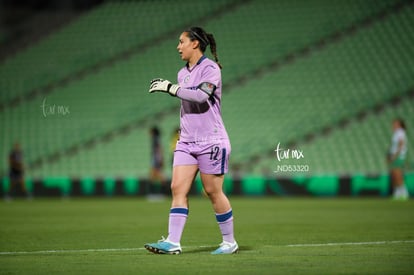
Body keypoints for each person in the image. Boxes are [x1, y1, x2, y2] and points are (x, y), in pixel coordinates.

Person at [145, 26, 238, 254]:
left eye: (181, 42)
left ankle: (229, 242)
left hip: (211, 140)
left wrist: (171, 88)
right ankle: (173, 242)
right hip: (186, 141)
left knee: (212, 191)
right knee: (177, 187)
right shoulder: (181, 73)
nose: (178, 47)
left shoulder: (211, 69)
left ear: (194, 43)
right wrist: (174, 87)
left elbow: (200, 95)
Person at [388, 118, 409, 200]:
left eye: (395, 123)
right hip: (395, 156)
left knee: (398, 174)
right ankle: (397, 192)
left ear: (399, 124)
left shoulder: (400, 132)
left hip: (398, 156)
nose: (393, 125)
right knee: (394, 175)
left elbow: (401, 144)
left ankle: (404, 192)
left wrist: (395, 156)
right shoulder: (396, 133)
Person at [148, 126, 166, 199]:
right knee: (155, 175)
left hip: (156, 159)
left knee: (155, 175)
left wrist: (161, 159)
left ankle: (156, 193)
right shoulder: (155, 139)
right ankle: (160, 193)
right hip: (155, 159)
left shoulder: (156, 139)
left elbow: (159, 149)